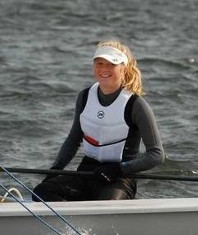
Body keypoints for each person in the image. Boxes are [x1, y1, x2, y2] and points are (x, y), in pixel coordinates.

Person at [33, 40, 165, 201]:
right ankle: (71, 225)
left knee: (106, 206)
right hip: (87, 171)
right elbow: (73, 140)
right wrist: (55, 170)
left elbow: (156, 155)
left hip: (119, 176)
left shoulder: (136, 105)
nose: (104, 69)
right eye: (99, 63)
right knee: (41, 192)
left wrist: (118, 170)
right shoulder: (85, 96)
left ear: (124, 69)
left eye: (111, 65)